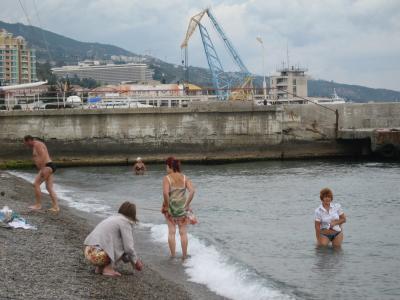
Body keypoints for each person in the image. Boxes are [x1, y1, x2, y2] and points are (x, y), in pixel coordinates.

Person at [84, 201, 143, 277]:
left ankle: (100, 268)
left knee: (109, 241)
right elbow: (128, 248)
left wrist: (131, 260)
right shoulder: (125, 222)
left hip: (88, 252)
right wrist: (136, 261)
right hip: (98, 256)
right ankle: (108, 269)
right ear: (133, 214)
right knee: (123, 244)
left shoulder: (112, 218)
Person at [161, 157, 195, 260]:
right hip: (182, 210)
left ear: (170, 166)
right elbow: (192, 191)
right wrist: (187, 205)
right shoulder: (185, 178)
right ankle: (184, 256)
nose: (166, 168)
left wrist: (166, 206)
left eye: (166, 166)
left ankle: (173, 255)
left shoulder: (167, 178)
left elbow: (165, 193)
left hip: (171, 209)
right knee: (183, 233)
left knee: (171, 232)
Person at [23, 135, 59, 212]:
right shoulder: (36, 145)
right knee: (49, 187)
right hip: (48, 167)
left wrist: (42, 169)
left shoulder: (37, 145)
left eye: (26, 143)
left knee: (36, 184)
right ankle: (56, 207)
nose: (26, 145)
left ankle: (38, 205)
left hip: (47, 167)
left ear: (29, 140)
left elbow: (43, 156)